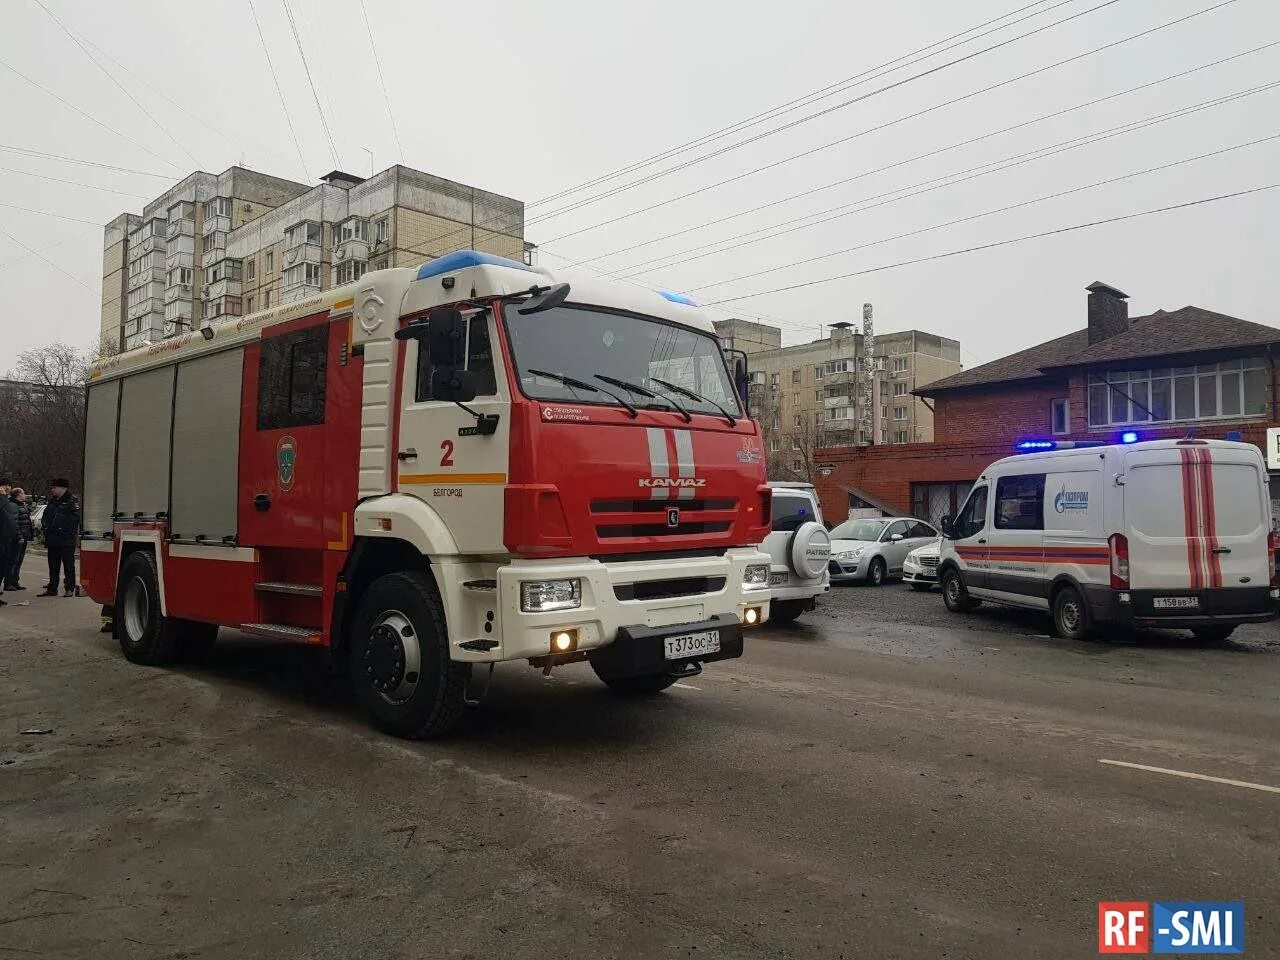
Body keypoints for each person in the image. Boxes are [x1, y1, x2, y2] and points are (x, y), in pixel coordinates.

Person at [40, 478, 81, 598]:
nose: (52, 490)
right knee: (53, 565)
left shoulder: (71, 501)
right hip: (52, 539)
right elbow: (45, 516)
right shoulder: (52, 501)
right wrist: (46, 528)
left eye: (54, 488)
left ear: (63, 488)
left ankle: (69, 588)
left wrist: (60, 527)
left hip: (66, 539)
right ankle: (52, 588)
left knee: (68, 565)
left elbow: (74, 519)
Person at [6, 487, 33, 591]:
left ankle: (14, 581)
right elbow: (14, 522)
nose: (25, 495)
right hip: (17, 538)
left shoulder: (21, 505)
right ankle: (8, 582)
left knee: (18, 561)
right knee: (13, 560)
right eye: (23, 493)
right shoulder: (14, 505)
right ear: (18, 495)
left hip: (23, 537)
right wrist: (19, 536)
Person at [0, 477, 14, 607]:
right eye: (5, 486)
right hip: (2, 538)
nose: (8, 488)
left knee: (3, 567)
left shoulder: (5, 500)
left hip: (5, 538)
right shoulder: (2, 500)